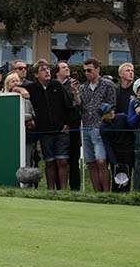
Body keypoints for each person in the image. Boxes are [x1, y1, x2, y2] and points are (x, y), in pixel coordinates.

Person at [26, 59, 73, 190]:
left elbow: (68, 106)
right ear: (36, 75)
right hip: (44, 132)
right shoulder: (32, 88)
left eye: (48, 69)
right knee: (50, 162)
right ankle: (50, 190)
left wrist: (67, 123)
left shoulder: (57, 85)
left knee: (62, 161)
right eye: (43, 70)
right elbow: (14, 87)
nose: (47, 72)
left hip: (61, 131)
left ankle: (63, 191)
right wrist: (19, 89)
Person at [78, 58, 116, 192]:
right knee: (90, 163)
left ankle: (106, 193)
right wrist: (75, 95)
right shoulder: (82, 87)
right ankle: (97, 193)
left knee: (101, 161)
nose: (87, 73)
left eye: (89, 70)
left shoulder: (108, 85)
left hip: (100, 127)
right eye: (85, 71)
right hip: (86, 127)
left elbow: (112, 104)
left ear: (97, 69)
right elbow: (80, 106)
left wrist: (106, 115)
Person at [55, 60, 82, 191]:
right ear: (57, 71)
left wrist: (76, 92)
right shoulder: (53, 86)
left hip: (74, 127)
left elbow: (79, 105)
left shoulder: (73, 85)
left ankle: (75, 188)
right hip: (58, 128)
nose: (67, 69)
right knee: (59, 160)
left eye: (67, 67)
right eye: (64, 67)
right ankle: (59, 188)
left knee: (74, 159)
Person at [99, 103, 134, 192]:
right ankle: (116, 196)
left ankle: (126, 195)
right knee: (116, 176)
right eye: (108, 112)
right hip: (116, 154)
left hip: (128, 151)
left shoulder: (122, 117)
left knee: (127, 175)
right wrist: (113, 161)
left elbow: (132, 130)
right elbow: (107, 145)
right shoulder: (103, 127)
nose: (111, 112)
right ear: (103, 116)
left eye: (112, 110)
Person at [5, 72, 35, 169]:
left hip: (26, 135)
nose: (15, 83)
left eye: (17, 81)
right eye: (12, 81)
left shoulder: (26, 98)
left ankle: (26, 182)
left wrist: (16, 116)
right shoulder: (3, 99)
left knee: (26, 160)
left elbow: (31, 115)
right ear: (7, 84)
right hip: (9, 135)